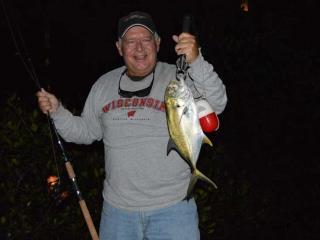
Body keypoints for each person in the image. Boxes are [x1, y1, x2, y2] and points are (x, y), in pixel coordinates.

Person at [37, 11, 227, 240]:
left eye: (146, 39)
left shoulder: (178, 79)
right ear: (119, 47)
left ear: (157, 43)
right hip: (117, 214)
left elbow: (217, 102)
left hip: (174, 210)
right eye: (130, 41)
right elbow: (85, 132)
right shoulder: (103, 85)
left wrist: (196, 60)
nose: (139, 47)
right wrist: (58, 111)